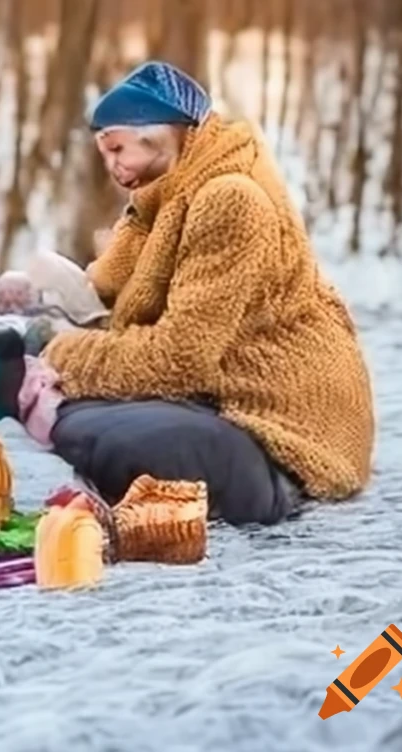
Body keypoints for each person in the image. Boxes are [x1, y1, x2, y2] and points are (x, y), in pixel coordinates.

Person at [41, 60, 375, 525]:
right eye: (104, 150)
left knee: (103, 436)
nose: (111, 164)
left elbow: (178, 360)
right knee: (72, 416)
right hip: (215, 400)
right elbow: (105, 289)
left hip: (282, 436)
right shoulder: (164, 197)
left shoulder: (230, 198)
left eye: (117, 147)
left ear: (160, 134)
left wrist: (58, 351)